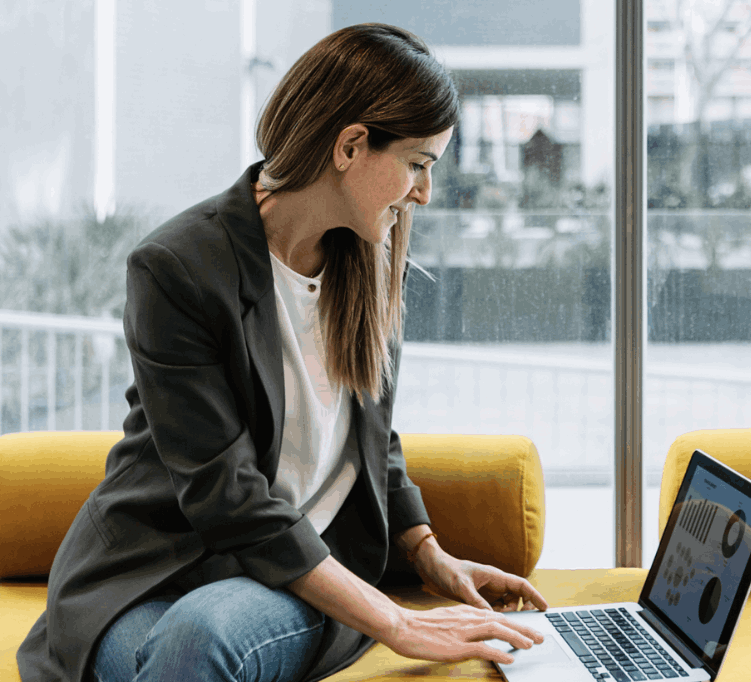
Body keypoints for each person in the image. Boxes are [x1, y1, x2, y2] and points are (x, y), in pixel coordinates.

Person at [17, 23, 548, 682]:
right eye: (418, 164)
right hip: (157, 566)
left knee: (197, 640)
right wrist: (396, 621)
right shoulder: (176, 268)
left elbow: (371, 440)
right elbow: (225, 496)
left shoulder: (376, 259)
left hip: (303, 565)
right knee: (180, 647)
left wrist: (429, 554)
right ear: (352, 144)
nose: (424, 194)